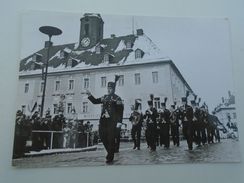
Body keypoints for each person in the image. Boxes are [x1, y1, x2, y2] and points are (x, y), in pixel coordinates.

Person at [86, 77, 124, 163]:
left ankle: (110, 157)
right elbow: (95, 101)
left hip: (112, 121)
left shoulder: (117, 99)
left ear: (113, 89)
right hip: (103, 121)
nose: (108, 90)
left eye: (110, 88)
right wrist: (89, 95)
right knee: (102, 136)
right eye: (108, 88)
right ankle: (111, 150)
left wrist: (119, 122)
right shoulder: (105, 97)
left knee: (110, 139)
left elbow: (120, 111)